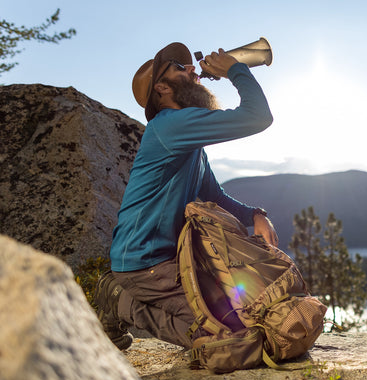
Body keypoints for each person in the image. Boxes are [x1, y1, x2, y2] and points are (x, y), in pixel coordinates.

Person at [94, 42, 277, 351]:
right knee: (235, 343)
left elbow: (214, 195)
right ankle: (120, 300)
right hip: (145, 264)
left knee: (250, 319)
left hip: (174, 261)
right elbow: (258, 116)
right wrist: (234, 68)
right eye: (180, 68)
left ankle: (127, 296)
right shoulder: (168, 126)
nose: (193, 68)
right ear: (162, 88)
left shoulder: (187, 137)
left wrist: (254, 215)